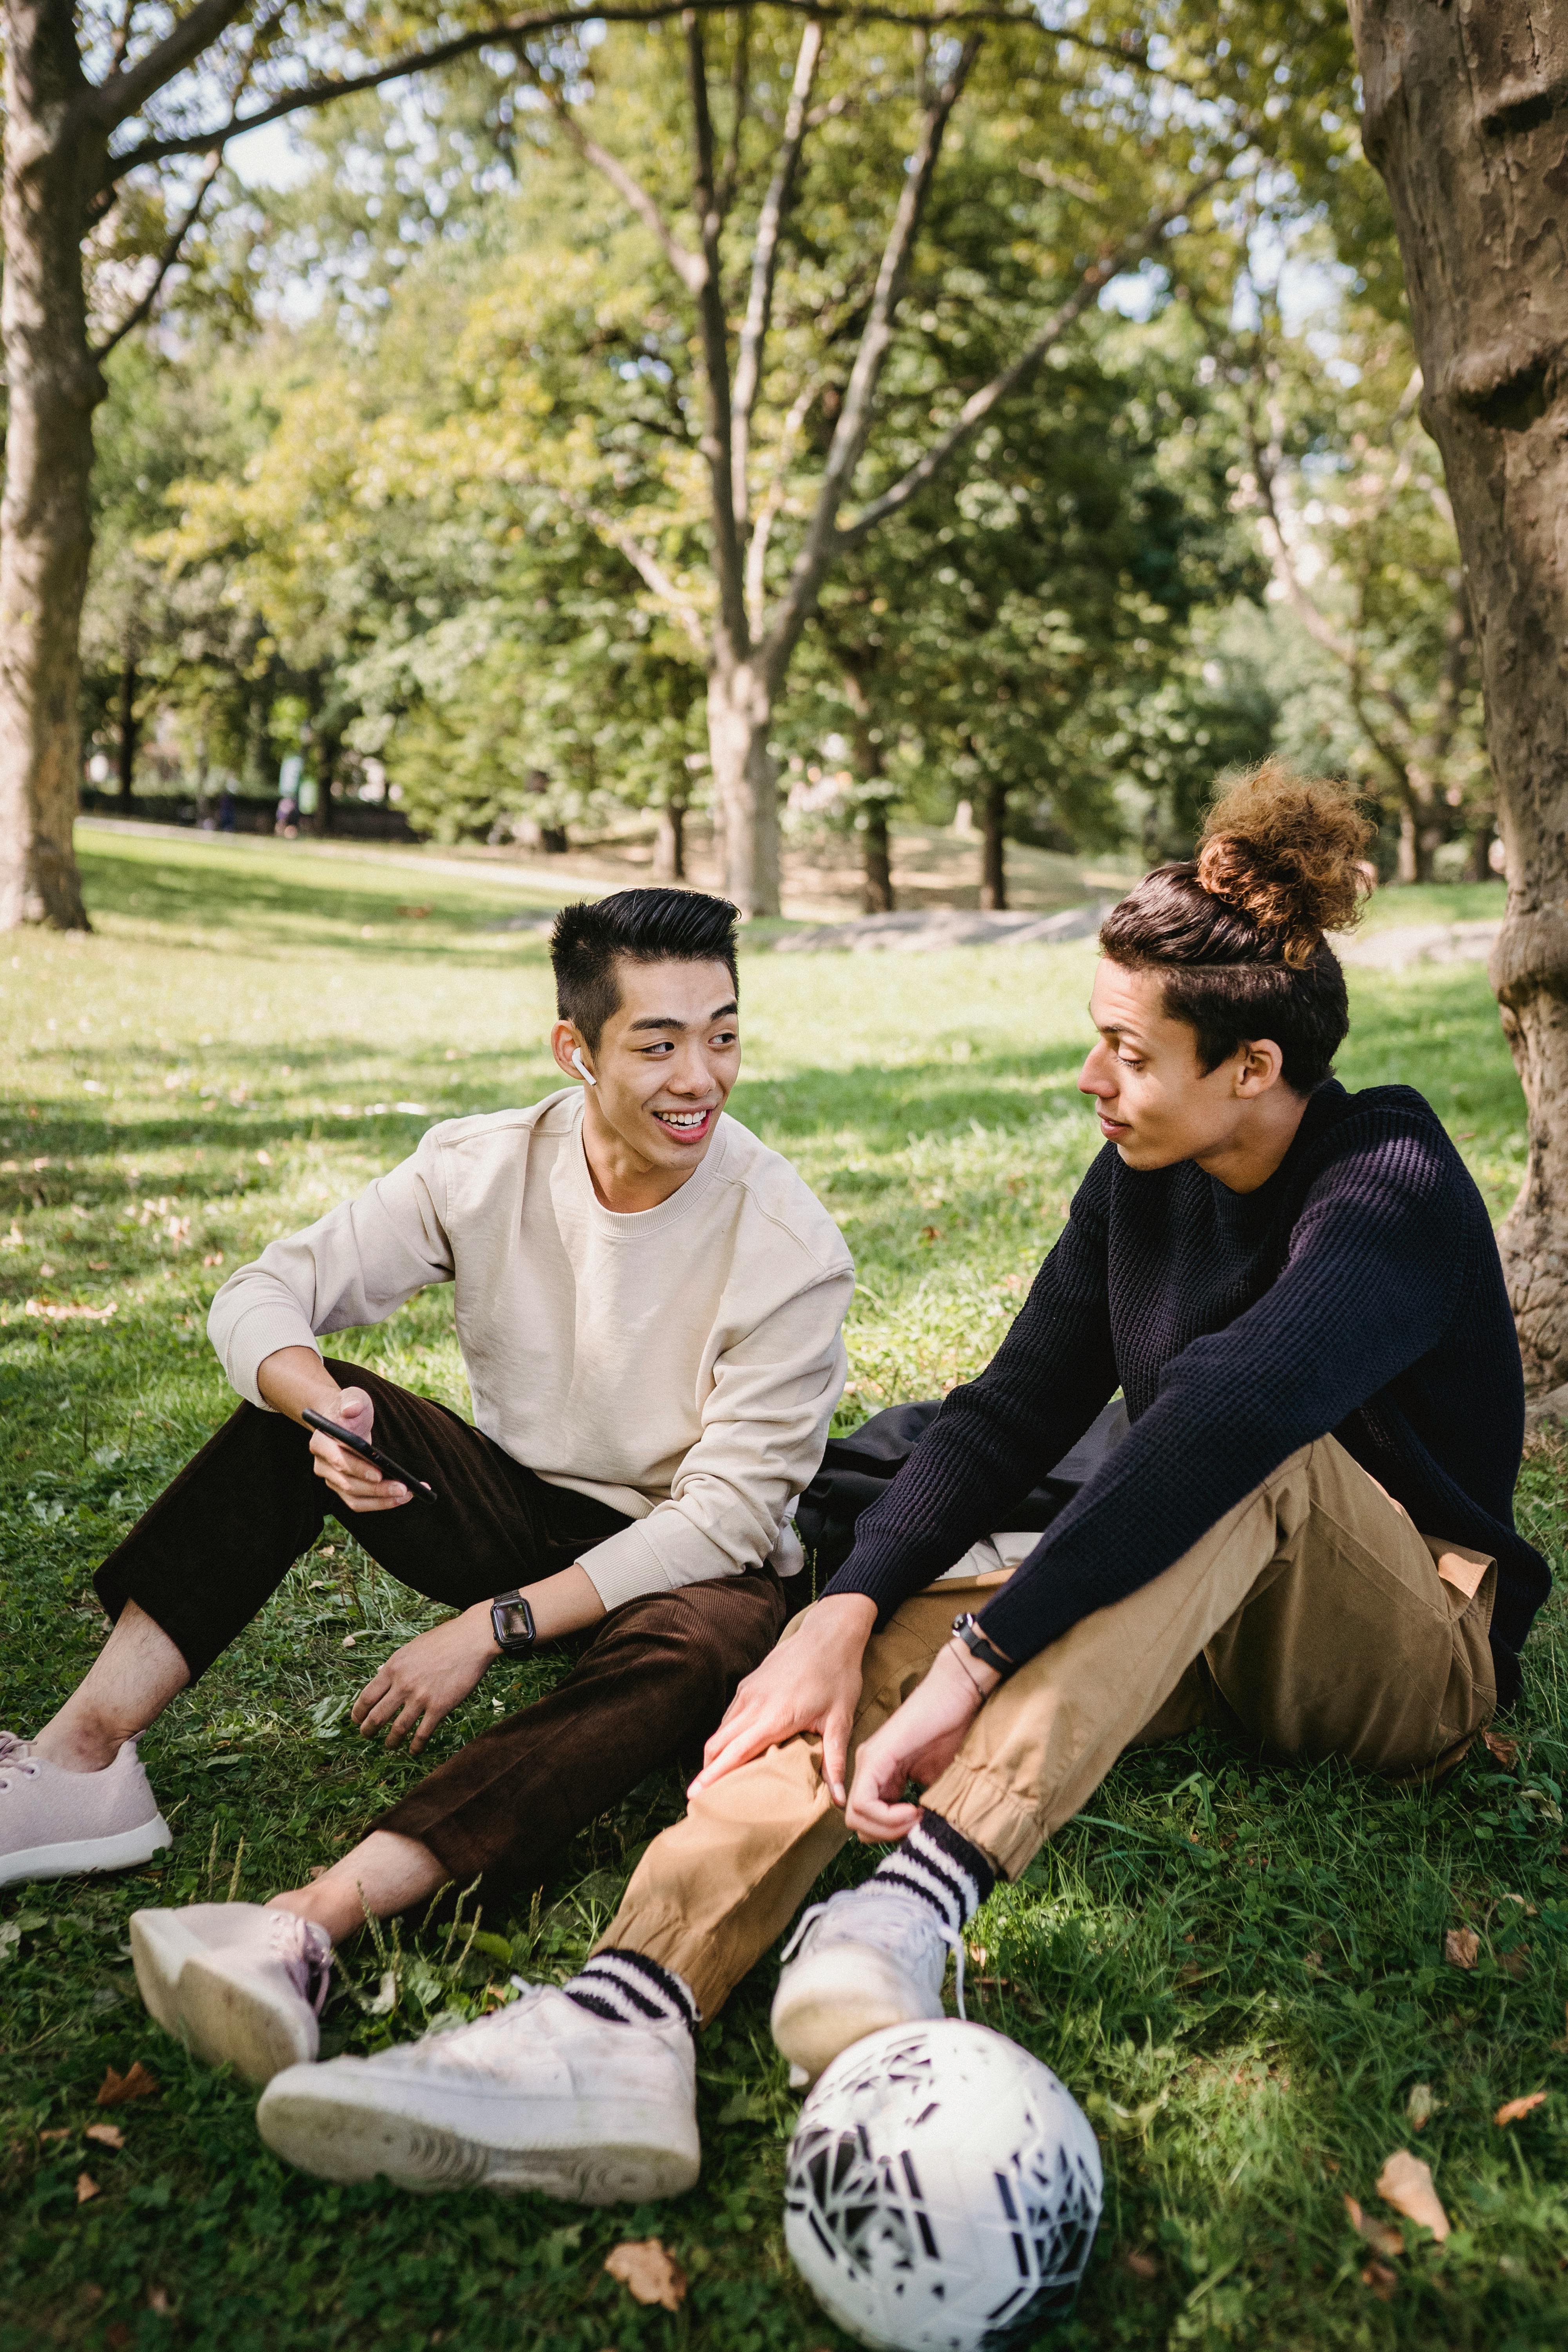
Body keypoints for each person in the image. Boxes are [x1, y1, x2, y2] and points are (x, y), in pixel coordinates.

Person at [246, 766, 1548, 2205]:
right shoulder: (1138, 1179)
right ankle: (626, 2012)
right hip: (1193, 1611)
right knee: (838, 1672)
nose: (1090, 1078)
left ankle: (909, 1909)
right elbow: (1004, 1416)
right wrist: (850, 1608)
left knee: (1238, 1449)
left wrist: (983, 1657)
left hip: (1409, 1645)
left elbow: (1231, 1418)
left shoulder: (1394, 1177)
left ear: (1250, 1069)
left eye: (1126, 1051)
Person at [0, 888, 854, 2152]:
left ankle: (312, 1920)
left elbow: (727, 1519)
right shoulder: (482, 1164)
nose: (702, 1078)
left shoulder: (787, 1242)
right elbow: (264, 1292)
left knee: (714, 1635)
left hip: (681, 1559)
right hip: (512, 1504)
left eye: (723, 1035)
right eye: (659, 1042)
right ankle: (81, 1765)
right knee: (289, 1421)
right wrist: (325, 1409)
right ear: (577, 1050)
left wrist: (490, 1632)